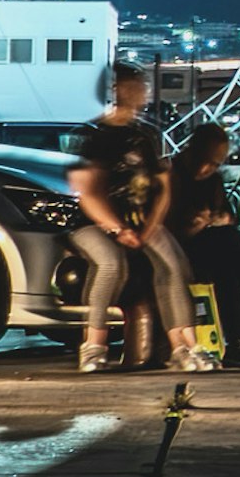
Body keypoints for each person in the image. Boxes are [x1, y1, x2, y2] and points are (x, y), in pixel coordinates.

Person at [68, 63, 193, 375]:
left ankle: (186, 347)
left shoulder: (147, 135)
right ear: (117, 90)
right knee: (111, 265)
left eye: (144, 87)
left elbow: (164, 188)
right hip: (94, 223)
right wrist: (118, 228)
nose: (143, 93)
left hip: (141, 221)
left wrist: (149, 227)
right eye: (136, 86)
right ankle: (93, 347)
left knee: (174, 266)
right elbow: (88, 193)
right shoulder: (96, 136)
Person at [164, 114, 240, 365]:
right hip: (176, 250)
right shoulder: (171, 175)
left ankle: (236, 343)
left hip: (207, 248)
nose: (208, 170)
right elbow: (165, 230)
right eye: (207, 163)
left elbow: (229, 216)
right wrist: (197, 225)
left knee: (228, 256)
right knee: (228, 244)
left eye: (216, 165)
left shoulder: (212, 180)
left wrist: (218, 218)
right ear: (193, 152)